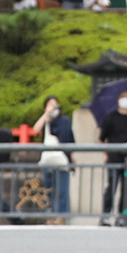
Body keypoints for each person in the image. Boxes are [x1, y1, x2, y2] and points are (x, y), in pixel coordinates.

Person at [98, 91, 127, 226]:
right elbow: (101, 138)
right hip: (114, 157)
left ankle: (123, 216)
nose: (126, 101)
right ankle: (105, 215)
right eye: (124, 98)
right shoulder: (110, 117)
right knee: (112, 186)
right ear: (118, 101)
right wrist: (106, 153)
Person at [32, 96, 75, 226]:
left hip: (62, 159)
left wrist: (72, 158)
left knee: (62, 190)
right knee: (47, 190)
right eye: (50, 105)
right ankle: (49, 216)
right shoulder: (46, 121)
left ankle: (60, 217)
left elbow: (70, 139)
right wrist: (46, 114)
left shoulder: (64, 121)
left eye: (55, 105)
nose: (53, 107)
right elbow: (35, 130)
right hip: (47, 159)